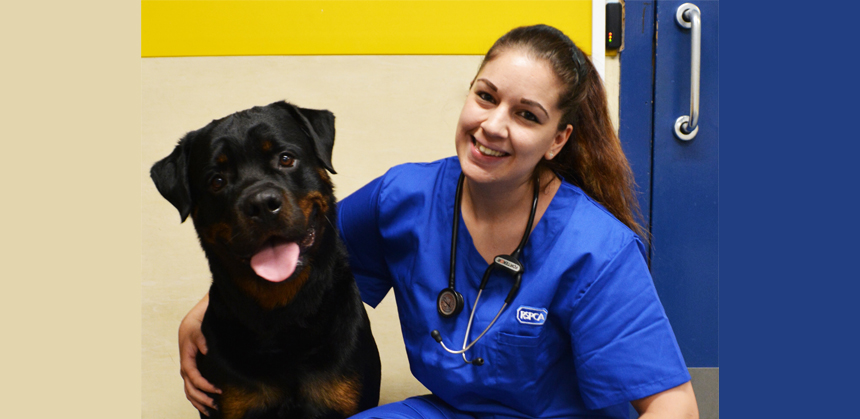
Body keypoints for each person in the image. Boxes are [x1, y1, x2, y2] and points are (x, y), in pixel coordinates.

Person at [177, 25, 699, 418]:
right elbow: (298, 250)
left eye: (527, 115)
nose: (492, 126)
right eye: (486, 96)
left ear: (557, 140)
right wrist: (199, 315)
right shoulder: (404, 197)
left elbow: (674, 403)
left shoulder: (596, 248)